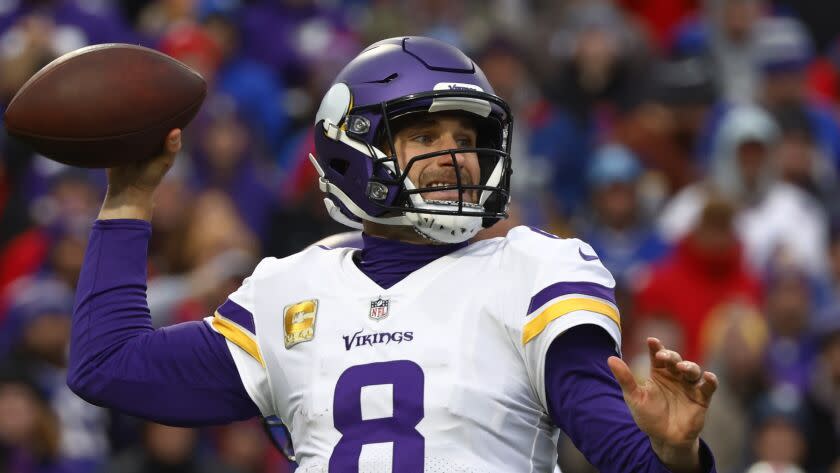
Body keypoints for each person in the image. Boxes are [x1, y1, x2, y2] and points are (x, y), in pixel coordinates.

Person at [67, 37, 718, 472]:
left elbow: (620, 451)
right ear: (354, 149)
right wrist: (128, 197)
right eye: (426, 133)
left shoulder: (534, 268)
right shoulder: (287, 290)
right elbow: (107, 364)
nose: (457, 153)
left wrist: (674, 452)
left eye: (467, 135)